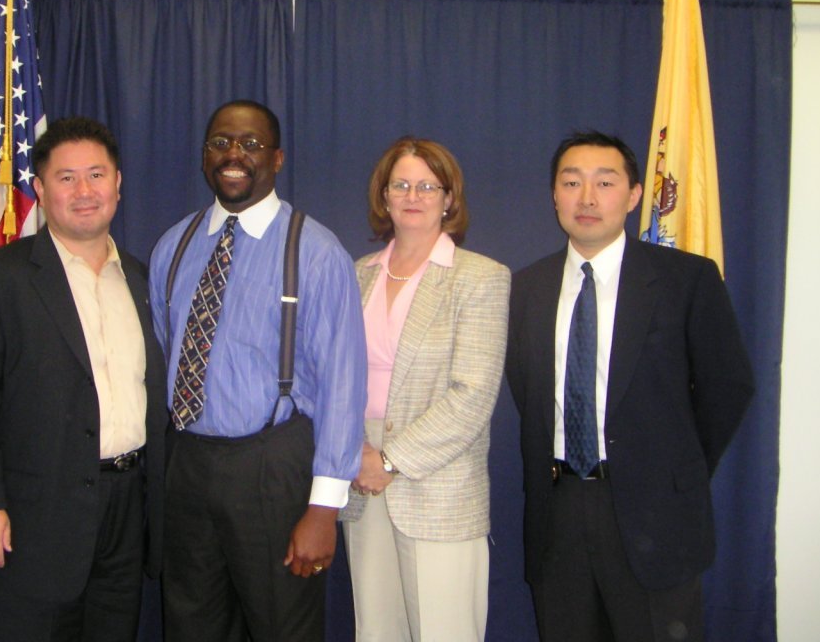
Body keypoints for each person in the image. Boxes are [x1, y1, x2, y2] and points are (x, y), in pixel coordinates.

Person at [505, 131, 754, 642]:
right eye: (571, 182)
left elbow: (727, 386)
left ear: (635, 194)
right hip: (558, 512)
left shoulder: (685, 279)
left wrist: (673, 468)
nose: (587, 198)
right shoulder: (526, 287)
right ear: (554, 195)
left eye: (605, 182)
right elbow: (526, 390)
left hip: (655, 514)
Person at [149, 99, 366, 642]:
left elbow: (342, 387)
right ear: (205, 155)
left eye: (250, 144)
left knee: (282, 627)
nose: (234, 155)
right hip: (188, 463)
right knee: (191, 626)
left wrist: (324, 508)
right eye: (220, 142)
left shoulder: (315, 252)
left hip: (272, 467)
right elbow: (166, 346)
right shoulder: (173, 246)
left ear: (277, 158)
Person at [0, 117, 167, 641]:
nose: (84, 191)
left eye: (97, 175)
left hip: (127, 512)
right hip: (31, 519)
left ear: (118, 183)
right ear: (41, 189)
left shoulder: (144, 279)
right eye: (66, 178)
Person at [341, 137, 510, 641]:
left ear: (449, 198)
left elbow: (473, 395)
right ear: (384, 196)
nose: (413, 196)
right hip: (361, 475)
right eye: (401, 185)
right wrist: (357, 452)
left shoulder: (480, 278)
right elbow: (332, 379)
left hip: (439, 482)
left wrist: (390, 460)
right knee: (377, 631)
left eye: (427, 186)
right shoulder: (355, 275)